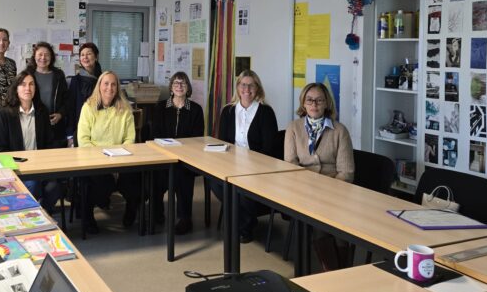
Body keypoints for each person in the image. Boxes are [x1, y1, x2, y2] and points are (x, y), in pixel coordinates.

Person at [212, 69, 278, 242]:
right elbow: (223, 142)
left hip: (258, 166)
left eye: (251, 85)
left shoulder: (266, 112)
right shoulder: (228, 111)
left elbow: (269, 148)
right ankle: (243, 220)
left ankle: (244, 227)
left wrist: (249, 163)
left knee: (242, 185)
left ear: (257, 89)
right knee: (215, 182)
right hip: (231, 163)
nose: (246, 89)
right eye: (243, 85)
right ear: (237, 87)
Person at [0, 71, 62, 214]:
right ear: (16, 89)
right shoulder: (5, 114)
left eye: (31, 84)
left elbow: (49, 143)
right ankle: (30, 214)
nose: (28, 88)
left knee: (55, 187)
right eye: (23, 84)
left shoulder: (42, 111)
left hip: (41, 167)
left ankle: (42, 214)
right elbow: (1, 149)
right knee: (33, 184)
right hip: (18, 169)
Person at [77, 70, 135, 232]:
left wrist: (119, 158)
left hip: (121, 160)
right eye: (106, 84)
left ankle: (131, 211)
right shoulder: (88, 108)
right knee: (102, 184)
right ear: (99, 86)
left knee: (135, 182)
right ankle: (88, 216)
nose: (109, 88)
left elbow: (130, 139)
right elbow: (83, 140)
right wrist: (102, 159)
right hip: (95, 161)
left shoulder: (125, 109)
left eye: (113, 84)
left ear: (117, 88)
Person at [151, 72, 204, 235]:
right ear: (171, 87)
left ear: (188, 88)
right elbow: (155, 134)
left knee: (183, 176)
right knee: (156, 177)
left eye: (183, 83)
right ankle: (157, 213)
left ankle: (184, 218)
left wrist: (180, 150)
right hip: (163, 157)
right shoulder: (160, 107)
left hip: (186, 159)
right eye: (176, 83)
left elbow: (197, 138)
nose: (179, 86)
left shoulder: (196, 109)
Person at [284, 82, 354, 182]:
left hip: (331, 185)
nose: (314, 104)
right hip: (301, 183)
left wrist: (329, 189)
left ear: (326, 103)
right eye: (309, 100)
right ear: (303, 103)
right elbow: (290, 165)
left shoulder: (341, 131)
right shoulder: (293, 127)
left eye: (319, 100)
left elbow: (346, 173)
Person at [27, 42, 69, 144]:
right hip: (33, 122)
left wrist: (60, 114)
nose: (43, 58)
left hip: (54, 123)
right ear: (34, 56)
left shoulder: (58, 75)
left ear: (51, 57)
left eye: (47, 55)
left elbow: (66, 99)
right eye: (40, 54)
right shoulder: (28, 74)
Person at [66, 42, 102, 143]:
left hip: (100, 127)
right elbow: (71, 108)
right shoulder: (75, 80)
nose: (85, 57)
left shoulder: (103, 79)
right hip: (80, 127)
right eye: (82, 55)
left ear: (96, 57)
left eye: (89, 54)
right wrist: (70, 134)